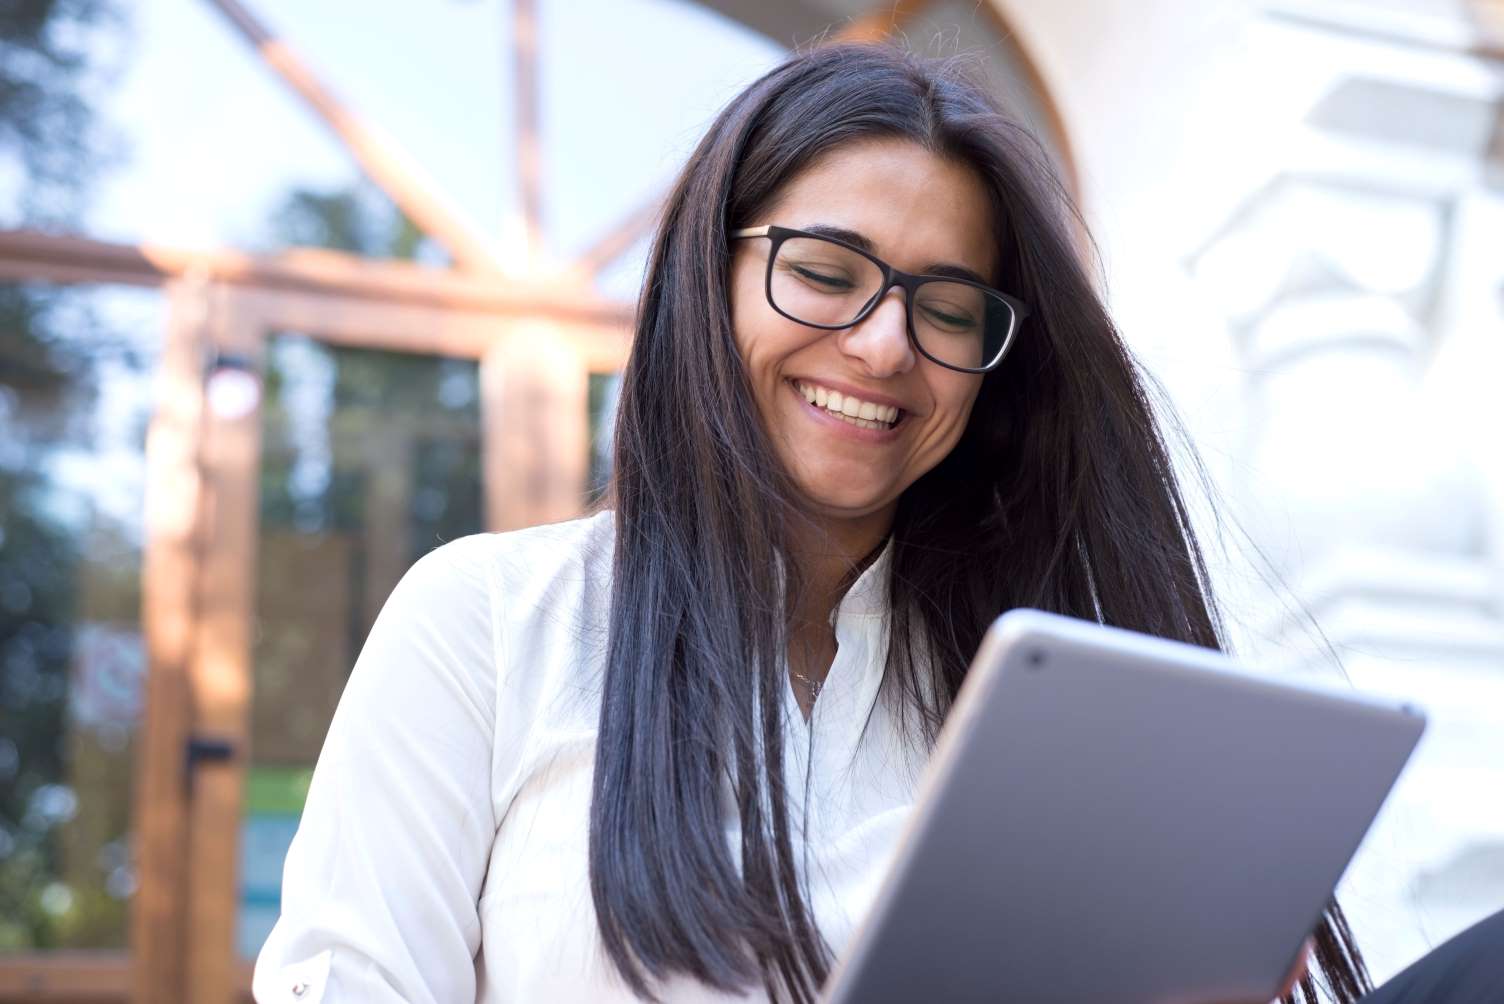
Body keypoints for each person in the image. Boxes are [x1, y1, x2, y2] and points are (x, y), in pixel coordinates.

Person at [252, 43, 1503, 1004]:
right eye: (826, 271)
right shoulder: (485, 621)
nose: (885, 343)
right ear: (711, 276)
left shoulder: (1051, 697)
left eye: (949, 307)